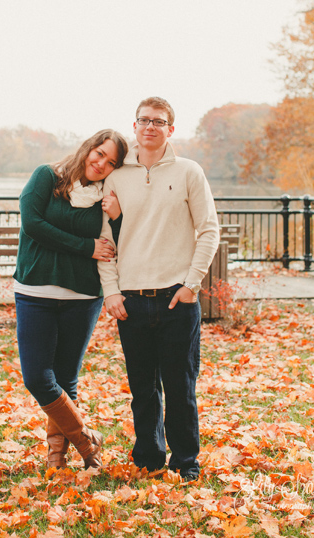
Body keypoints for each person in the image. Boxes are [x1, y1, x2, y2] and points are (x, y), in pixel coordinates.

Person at [99, 97, 220, 481]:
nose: (150, 126)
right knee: (143, 390)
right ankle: (148, 457)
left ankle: (186, 462)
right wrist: (111, 291)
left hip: (176, 300)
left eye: (159, 121)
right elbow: (105, 240)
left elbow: (209, 230)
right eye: (143, 120)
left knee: (180, 387)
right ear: (134, 127)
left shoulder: (188, 171)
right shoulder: (116, 177)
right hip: (131, 300)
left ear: (171, 129)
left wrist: (191, 284)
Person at [13, 129, 129, 470]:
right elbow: (33, 224)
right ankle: (85, 440)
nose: (101, 163)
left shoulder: (107, 197)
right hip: (35, 291)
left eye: (111, 162)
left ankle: (56, 458)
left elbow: (116, 244)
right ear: (88, 148)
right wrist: (85, 247)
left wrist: (119, 215)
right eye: (99, 153)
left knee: (66, 379)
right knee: (37, 378)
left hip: (83, 297)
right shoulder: (47, 176)